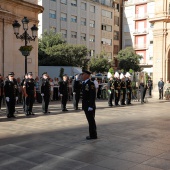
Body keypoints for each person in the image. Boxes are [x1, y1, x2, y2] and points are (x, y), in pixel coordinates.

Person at [82, 70, 97, 140]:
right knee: (90, 120)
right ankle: (92, 134)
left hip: (89, 105)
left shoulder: (90, 83)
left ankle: (93, 135)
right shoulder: (84, 83)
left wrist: (91, 106)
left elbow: (92, 95)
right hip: (86, 105)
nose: (82, 75)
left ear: (87, 75)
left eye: (84, 74)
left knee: (91, 121)